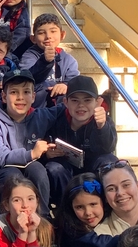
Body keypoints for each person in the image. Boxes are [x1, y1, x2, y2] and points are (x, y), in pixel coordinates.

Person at [0, 68, 63, 211]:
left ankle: (42, 217)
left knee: (37, 169)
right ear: (4, 97)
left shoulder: (40, 116)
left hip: (31, 172)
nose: (20, 97)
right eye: (14, 92)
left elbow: (68, 109)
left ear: (33, 97)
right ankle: (8, 218)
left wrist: (68, 88)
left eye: (26, 92)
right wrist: (31, 154)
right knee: (13, 174)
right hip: (0, 177)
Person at [42, 75, 117, 208]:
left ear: (98, 102)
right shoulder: (56, 119)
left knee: (109, 162)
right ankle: (67, 209)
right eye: (75, 100)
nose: (81, 105)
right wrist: (47, 153)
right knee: (54, 168)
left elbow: (109, 146)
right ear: (65, 102)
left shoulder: (103, 120)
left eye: (87, 100)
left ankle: (105, 207)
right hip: (66, 172)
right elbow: (43, 143)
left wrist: (102, 126)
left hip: (93, 171)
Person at [19, 13, 79, 108]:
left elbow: (74, 80)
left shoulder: (69, 60)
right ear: (33, 39)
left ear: (62, 35)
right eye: (41, 33)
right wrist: (45, 61)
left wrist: (65, 85)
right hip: (37, 107)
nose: (48, 36)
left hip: (61, 107)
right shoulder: (29, 56)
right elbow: (26, 77)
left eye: (53, 31)